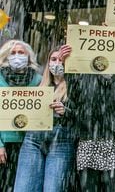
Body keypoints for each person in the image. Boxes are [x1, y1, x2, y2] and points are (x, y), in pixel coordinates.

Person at [62, 44, 115, 192]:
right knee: (89, 188)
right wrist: (68, 64)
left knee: (114, 188)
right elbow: (74, 94)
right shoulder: (86, 72)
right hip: (89, 139)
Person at [14, 46, 75, 192]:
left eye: (61, 60)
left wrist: (66, 112)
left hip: (61, 141)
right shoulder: (37, 83)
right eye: (53, 59)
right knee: (24, 187)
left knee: (53, 188)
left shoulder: (75, 85)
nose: (57, 63)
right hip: (33, 139)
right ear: (48, 63)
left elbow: (82, 114)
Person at [0, 40, 42, 192]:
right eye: (13, 53)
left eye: (21, 52)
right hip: (4, 143)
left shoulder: (38, 80)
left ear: (28, 56)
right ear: (6, 56)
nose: (17, 56)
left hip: (29, 144)